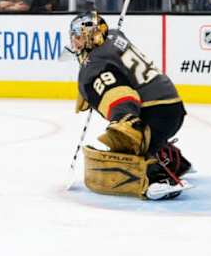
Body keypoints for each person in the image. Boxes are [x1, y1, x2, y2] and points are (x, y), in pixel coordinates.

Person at [69, 11, 194, 200]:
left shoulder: (94, 63)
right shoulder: (115, 35)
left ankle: (158, 179)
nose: (74, 43)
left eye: (78, 37)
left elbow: (119, 94)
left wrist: (89, 88)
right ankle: (173, 159)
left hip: (155, 112)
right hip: (173, 107)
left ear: (90, 37)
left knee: (127, 144)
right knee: (144, 138)